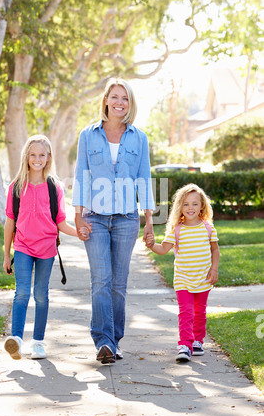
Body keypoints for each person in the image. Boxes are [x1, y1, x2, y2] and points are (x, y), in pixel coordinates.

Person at [72, 77, 155, 364]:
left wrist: (148, 220)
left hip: (126, 219)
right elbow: (82, 176)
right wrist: (78, 216)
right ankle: (103, 341)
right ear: (106, 99)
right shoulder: (88, 134)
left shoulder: (139, 138)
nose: (120, 102)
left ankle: (115, 340)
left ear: (130, 104)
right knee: (100, 281)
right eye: (115, 96)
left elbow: (144, 179)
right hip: (94, 217)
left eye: (126, 98)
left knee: (119, 283)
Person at [3, 135, 85, 360]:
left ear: (48, 157)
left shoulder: (54, 187)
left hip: (47, 249)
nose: (37, 159)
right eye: (33, 155)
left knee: (41, 294)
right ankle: (17, 340)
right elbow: (10, 222)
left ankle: (38, 342)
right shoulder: (16, 186)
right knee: (21, 293)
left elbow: (60, 223)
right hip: (22, 247)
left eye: (42, 155)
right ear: (26, 157)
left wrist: (80, 233)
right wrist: (6, 255)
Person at [146, 183, 220, 362]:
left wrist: (214, 269)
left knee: (200, 312)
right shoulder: (176, 230)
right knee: (186, 311)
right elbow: (163, 249)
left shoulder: (208, 228)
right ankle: (185, 344)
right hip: (183, 279)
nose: (190, 208)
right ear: (180, 207)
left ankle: (197, 341)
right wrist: (151, 245)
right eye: (186, 204)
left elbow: (215, 250)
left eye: (195, 204)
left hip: (203, 278)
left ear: (202, 205)